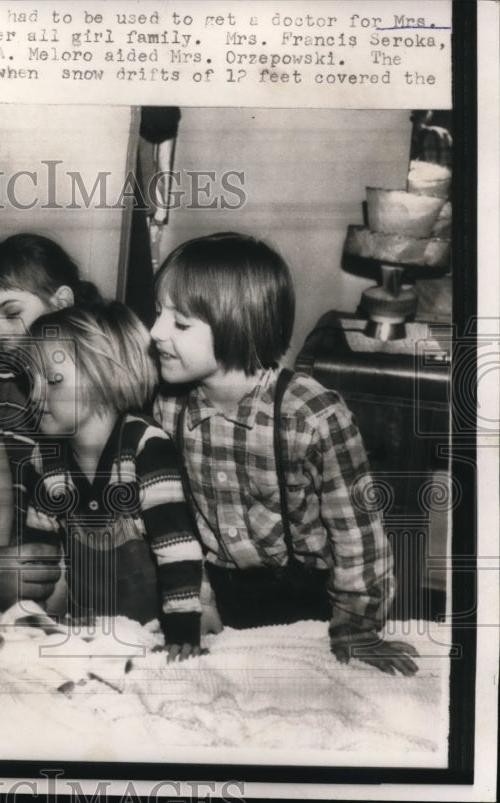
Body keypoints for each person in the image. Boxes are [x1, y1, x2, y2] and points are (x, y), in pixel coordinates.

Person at [150, 232, 418, 675]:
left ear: (242, 323)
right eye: (158, 313)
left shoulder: (312, 416)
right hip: (219, 596)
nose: (155, 332)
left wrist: (357, 629)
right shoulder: (168, 407)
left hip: (309, 605)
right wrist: (196, 601)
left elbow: (358, 539)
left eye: (180, 323)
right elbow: (174, 520)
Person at [17, 302, 203, 658]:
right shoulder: (45, 460)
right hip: (87, 630)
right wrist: (40, 624)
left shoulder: (146, 447)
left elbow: (176, 549)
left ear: (106, 377)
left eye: (53, 380)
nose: (35, 396)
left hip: (156, 631)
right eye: (31, 381)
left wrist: (182, 633)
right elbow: (45, 563)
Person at [0, 234, 102, 610]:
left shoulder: (100, 377)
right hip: (31, 558)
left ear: (62, 303)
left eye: (11, 313)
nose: (0, 335)